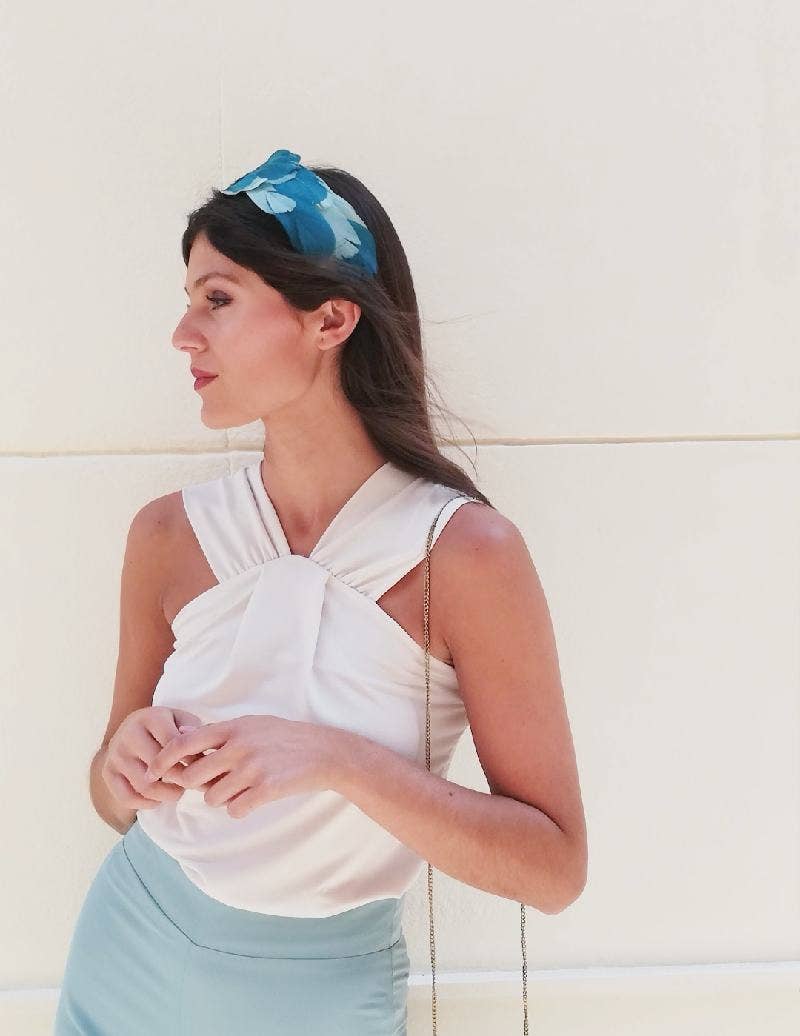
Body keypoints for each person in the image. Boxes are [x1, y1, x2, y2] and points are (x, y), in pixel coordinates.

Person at [54, 149, 587, 1035]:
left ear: (331, 319)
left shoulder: (465, 555)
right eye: (188, 301)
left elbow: (553, 869)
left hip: (321, 993)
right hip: (128, 951)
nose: (183, 335)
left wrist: (337, 759)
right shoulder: (165, 535)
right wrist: (122, 766)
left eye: (217, 299)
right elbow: (111, 800)